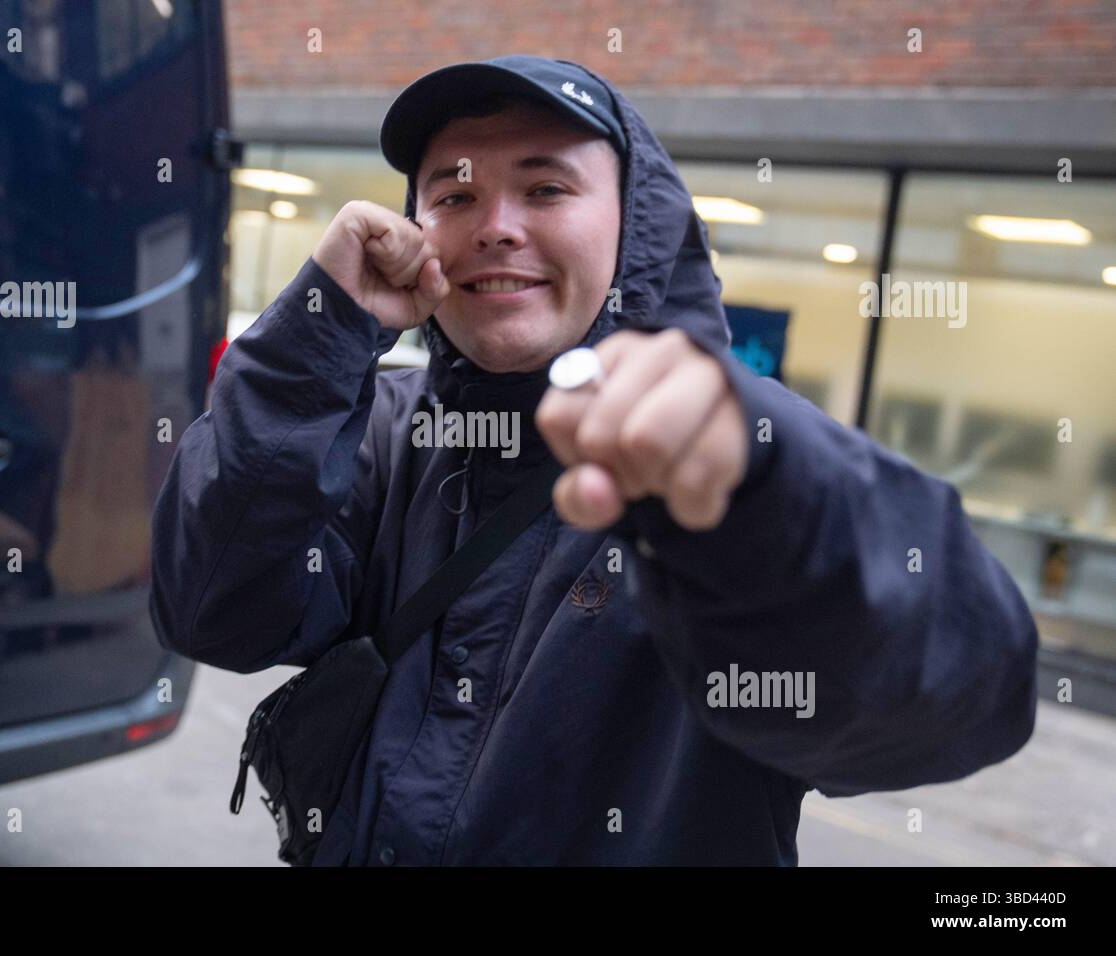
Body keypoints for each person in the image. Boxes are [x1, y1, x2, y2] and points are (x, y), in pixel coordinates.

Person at [148, 55, 1038, 865]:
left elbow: (956, 705)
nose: (495, 227)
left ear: (632, 228)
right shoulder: (376, 430)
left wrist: (760, 502)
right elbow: (214, 611)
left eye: (546, 189)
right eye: (454, 196)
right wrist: (315, 336)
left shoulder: (734, 451)